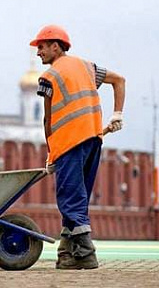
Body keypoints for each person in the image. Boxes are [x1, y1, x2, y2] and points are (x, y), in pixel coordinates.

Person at [30, 25, 125, 270]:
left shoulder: (48, 77)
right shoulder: (87, 67)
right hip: (93, 140)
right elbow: (120, 80)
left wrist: (51, 155)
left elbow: (48, 120)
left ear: (56, 46)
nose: (38, 52)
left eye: (41, 46)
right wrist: (117, 114)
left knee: (70, 199)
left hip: (69, 144)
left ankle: (86, 253)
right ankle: (67, 253)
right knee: (77, 199)